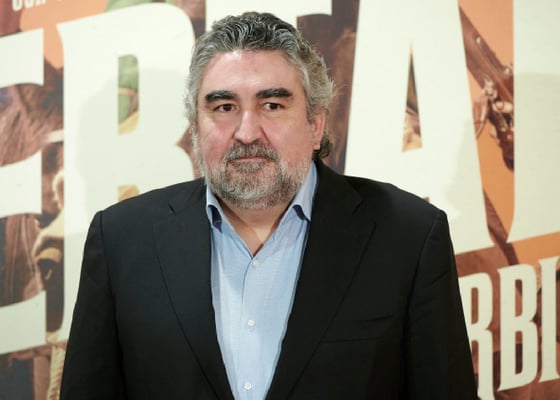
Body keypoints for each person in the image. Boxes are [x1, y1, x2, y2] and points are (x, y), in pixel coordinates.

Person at [60, 11, 477, 400]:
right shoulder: (121, 241)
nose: (247, 132)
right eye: (224, 107)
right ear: (195, 128)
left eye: (272, 105)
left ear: (316, 124)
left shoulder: (408, 237)